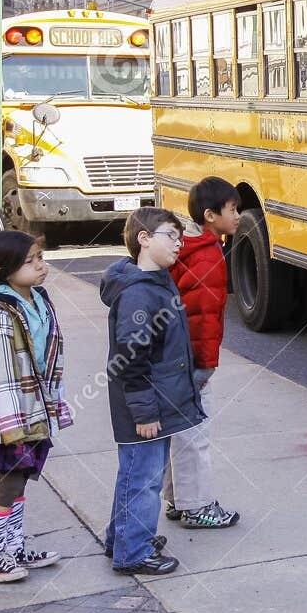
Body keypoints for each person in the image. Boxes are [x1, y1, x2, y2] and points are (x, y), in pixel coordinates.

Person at [99, 208, 205, 575]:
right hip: (144, 408)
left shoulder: (155, 282)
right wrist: (145, 412)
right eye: (169, 235)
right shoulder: (140, 294)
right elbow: (131, 357)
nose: (178, 243)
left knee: (136, 474)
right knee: (144, 480)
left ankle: (123, 537)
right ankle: (134, 552)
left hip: (151, 403)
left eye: (179, 237)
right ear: (143, 239)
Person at [0, 230, 71, 583]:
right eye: (30, 261)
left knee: (20, 480)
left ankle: (12, 547)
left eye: (40, 257)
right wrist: (14, 430)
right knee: (10, 482)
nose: (41, 266)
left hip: (29, 411)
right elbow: (2, 378)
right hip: (5, 419)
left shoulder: (35, 302)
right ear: (2, 270)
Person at [164, 176, 242, 530]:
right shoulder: (209, 255)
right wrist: (206, 365)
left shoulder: (186, 247)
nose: (238, 216)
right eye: (233, 209)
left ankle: (178, 500)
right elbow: (205, 317)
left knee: (177, 431)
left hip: (174, 358)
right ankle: (197, 506)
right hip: (192, 361)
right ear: (211, 215)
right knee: (194, 434)